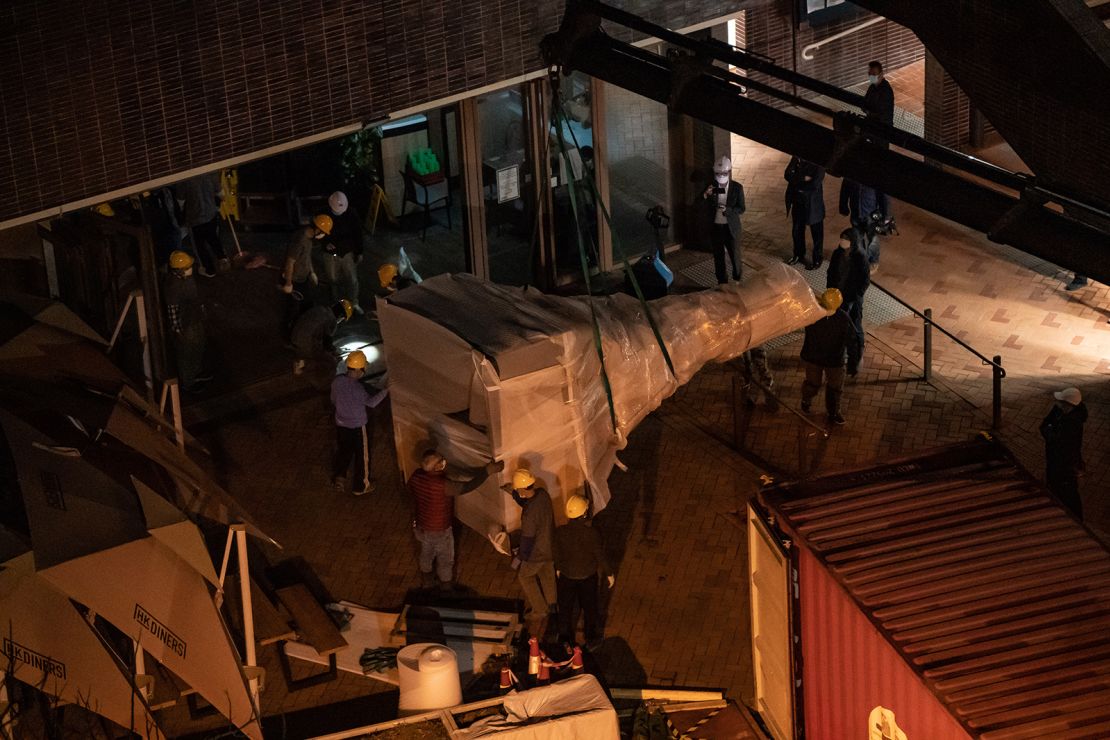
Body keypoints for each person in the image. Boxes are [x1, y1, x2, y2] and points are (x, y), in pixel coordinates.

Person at [408, 450, 504, 590]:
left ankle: (427, 581)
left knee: (426, 552)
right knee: (446, 559)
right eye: (441, 460)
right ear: (436, 467)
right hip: (440, 529)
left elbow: (410, 491)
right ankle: (446, 587)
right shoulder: (443, 485)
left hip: (421, 526)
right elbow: (467, 487)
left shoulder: (416, 476)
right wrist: (487, 472)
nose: (443, 461)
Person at [554, 493, 612, 651]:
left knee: (565, 607)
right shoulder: (592, 534)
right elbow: (599, 555)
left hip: (567, 575)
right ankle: (591, 637)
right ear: (584, 513)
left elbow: (557, 553)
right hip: (587, 576)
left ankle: (564, 637)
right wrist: (609, 573)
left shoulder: (560, 532)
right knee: (590, 607)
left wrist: (559, 568)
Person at [330, 350, 388, 496]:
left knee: (344, 450)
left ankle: (340, 478)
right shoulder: (359, 389)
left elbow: (333, 400)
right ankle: (361, 486)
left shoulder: (337, 381)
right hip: (358, 426)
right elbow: (372, 403)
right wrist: (386, 390)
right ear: (359, 370)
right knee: (363, 456)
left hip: (341, 424)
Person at [507, 469, 558, 632]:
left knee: (525, 577)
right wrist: (513, 494)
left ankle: (539, 609)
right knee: (547, 574)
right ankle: (552, 604)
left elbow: (527, 540)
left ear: (522, 489)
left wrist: (519, 558)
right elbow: (530, 504)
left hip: (536, 553)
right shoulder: (543, 494)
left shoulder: (529, 515)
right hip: (550, 545)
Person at [800, 288, 859, 426]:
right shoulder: (843, 318)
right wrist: (853, 363)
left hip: (813, 357)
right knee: (835, 388)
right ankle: (833, 412)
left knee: (812, 383)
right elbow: (852, 341)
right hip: (835, 360)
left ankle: (806, 401)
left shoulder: (813, 314)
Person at [163, 251, 213, 393]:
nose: (190, 268)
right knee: (187, 353)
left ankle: (196, 372)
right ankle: (188, 382)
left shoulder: (184, 278)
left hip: (194, 319)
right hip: (186, 324)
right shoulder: (173, 286)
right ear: (179, 270)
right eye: (187, 267)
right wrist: (178, 330)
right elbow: (172, 310)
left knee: (198, 346)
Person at [826, 227, 870, 376]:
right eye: (842, 237)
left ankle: (856, 357)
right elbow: (831, 272)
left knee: (855, 327)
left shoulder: (860, 257)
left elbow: (865, 280)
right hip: (837, 296)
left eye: (846, 238)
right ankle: (840, 354)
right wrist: (830, 290)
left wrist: (857, 297)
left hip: (852, 299)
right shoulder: (837, 254)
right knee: (838, 325)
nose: (842, 241)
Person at [1039, 387, 1088, 519]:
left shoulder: (1073, 424)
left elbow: (1058, 442)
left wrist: (1050, 430)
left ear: (1069, 405)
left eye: (1062, 402)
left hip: (1064, 467)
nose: (1059, 404)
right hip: (1056, 463)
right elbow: (1044, 425)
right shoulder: (1059, 411)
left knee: (1067, 493)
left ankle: (1074, 519)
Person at [699, 156, 746, 284]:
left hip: (731, 228)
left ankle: (737, 279)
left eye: (724, 173)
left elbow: (742, 208)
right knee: (718, 257)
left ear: (729, 172)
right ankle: (722, 282)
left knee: (735, 255)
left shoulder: (737, 188)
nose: (720, 176)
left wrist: (728, 210)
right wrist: (705, 195)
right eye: (718, 173)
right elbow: (701, 205)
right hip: (716, 228)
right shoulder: (711, 187)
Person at [282, 214, 329, 336]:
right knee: (291, 310)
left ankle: (304, 330)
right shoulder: (300, 240)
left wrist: (312, 272)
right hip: (295, 280)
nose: (322, 235)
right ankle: (287, 335)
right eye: (323, 232)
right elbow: (289, 262)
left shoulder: (309, 238)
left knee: (307, 306)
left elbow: (307, 257)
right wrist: (288, 283)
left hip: (304, 278)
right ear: (317, 228)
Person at [862, 61, 895, 221]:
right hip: (873, 132)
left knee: (881, 172)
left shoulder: (886, 91)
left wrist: (870, 112)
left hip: (881, 134)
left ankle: (886, 213)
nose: (871, 77)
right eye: (869, 74)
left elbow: (881, 113)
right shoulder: (873, 88)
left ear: (881, 74)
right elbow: (866, 104)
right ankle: (877, 209)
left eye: (873, 74)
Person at [320, 191, 364, 310]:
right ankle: (336, 303)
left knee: (352, 279)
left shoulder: (351, 214)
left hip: (347, 252)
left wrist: (359, 252)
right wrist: (325, 243)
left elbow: (358, 234)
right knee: (332, 279)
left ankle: (354, 303)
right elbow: (318, 232)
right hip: (330, 254)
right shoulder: (323, 213)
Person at [177, 173, 227, 278]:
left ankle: (209, 269)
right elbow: (219, 192)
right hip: (210, 213)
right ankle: (222, 258)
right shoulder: (210, 173)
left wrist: (181, 211)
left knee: (199, 245)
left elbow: (180, 199)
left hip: (195, 216)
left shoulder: (185, 178)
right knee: (213, 237)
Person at [783, 156, 826, 269]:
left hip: (813, 205)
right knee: (797, 231)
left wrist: (796, 181)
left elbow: (814, 183)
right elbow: (787, 174)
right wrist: (803, 178)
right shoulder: (796, 158)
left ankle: (817, 259)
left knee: (817, 234)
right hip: (798, 202)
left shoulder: (819, 163)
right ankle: (798, 254)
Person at [291, 300, 352, 376]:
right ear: (341, 315)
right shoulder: (332, 321)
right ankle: (303, 364)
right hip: (304, 343)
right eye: (342, 319)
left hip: (294, 336)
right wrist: (335, 352)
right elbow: (327, 343)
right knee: (329, 361)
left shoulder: (321, 308)